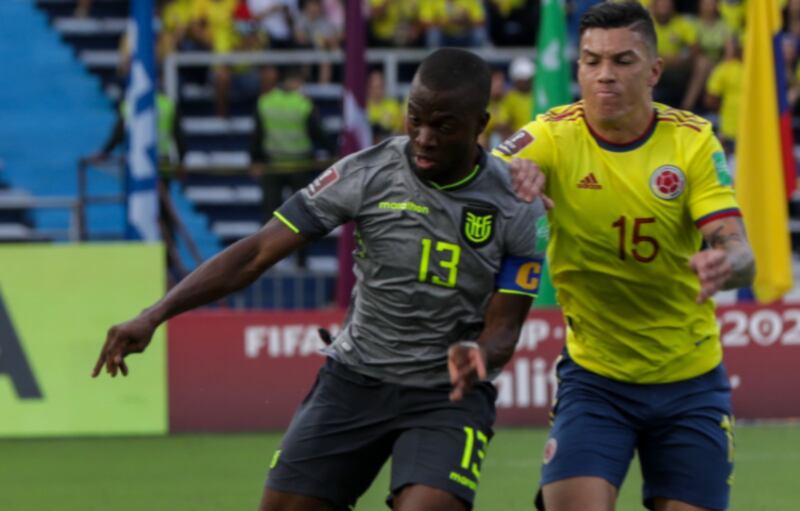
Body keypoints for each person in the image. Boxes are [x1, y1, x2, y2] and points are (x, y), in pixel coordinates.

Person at [93, 48, 547, 511]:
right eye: (415, 119)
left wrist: (480, 355)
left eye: (444, 126)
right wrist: (155, 314)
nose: (424, 138)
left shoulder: (517, 204)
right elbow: (256, 253)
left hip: (446, 395)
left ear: (480, 125)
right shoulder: (366, 173)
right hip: (355, 380)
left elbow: (506, 326)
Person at [493, 3, 755, 511]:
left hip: (690, 381)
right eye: (591, 61)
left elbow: (740, 250)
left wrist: (727, 263)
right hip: (596, 381)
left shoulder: (693, 140)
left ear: (655, 71)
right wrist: (509, 177)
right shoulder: (552, 133)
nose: (604, 76)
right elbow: (483, 174)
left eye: (622, 61)